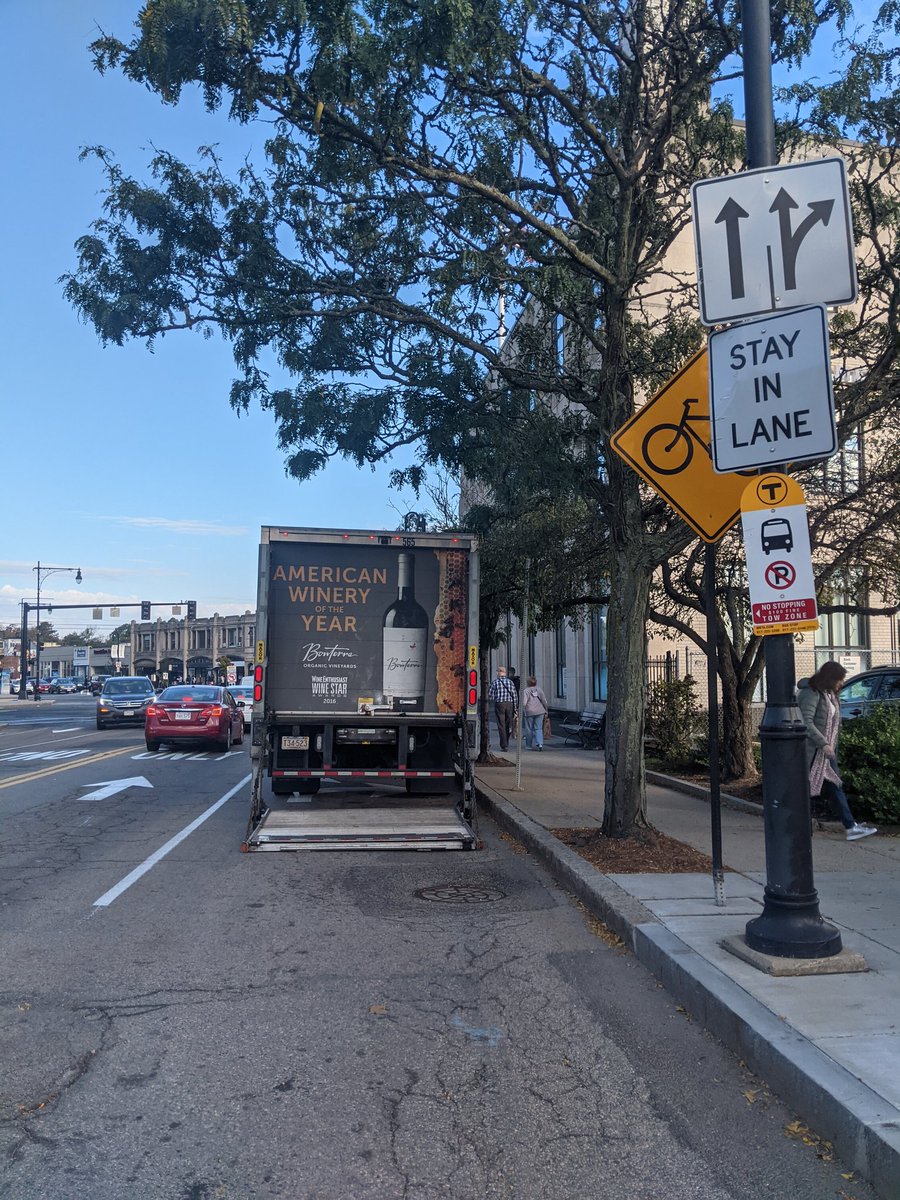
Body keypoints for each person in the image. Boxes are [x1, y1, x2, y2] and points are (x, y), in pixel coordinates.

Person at [797, 661, 877, 841]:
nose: (841, 684)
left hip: (825, 752)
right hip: (814, 752)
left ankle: (850, 826)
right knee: (814, 788)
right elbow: (806, 722)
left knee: (833, 786)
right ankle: (849, 826)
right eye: (839, 680)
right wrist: (824, 743)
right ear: (829, 678)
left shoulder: (829, 695)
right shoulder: (812, 693)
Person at [488, 665, 518, 752]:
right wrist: (515, 707)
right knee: (508, 724)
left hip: (499, 704)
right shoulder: (510, 682)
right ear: (504, 673)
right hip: (509, 704)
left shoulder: (495, 682)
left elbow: (490, 696)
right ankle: (506, 742)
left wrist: (495, 698)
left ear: (498, 672)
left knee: (501, 725)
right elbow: (514, 695)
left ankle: (504, 745)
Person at [521, 675, 549, 750]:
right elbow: (544, 701)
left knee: (529, 728)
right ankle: (540, 743)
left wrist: (521, 709)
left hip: (529, 712)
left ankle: (529, 745)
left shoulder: (526, 691)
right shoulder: (539, 690)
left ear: (528, 683)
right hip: (540, 711)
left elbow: (524, 703)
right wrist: (546, 710)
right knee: (538, 728)